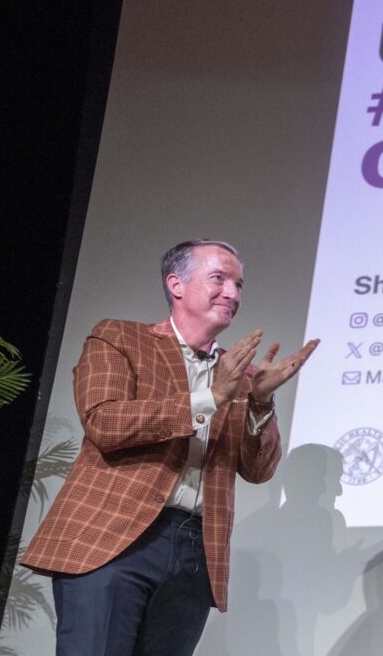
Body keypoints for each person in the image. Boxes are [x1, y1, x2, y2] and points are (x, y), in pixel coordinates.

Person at [21, 239, 319, 655]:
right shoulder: (120, 337)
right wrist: (210, 399)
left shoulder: (242, 374)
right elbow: (105, 422)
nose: (232, 293)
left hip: (195, 548)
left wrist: (261, 402)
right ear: (176, 284)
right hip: (113, 540)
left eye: (239, 284)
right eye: (219, 279)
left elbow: (258, 470)